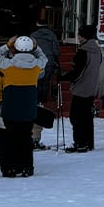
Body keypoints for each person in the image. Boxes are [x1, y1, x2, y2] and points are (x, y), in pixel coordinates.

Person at [0, 35, 41, 177]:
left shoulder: (6, 66)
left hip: (10, 109)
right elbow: (43, 58)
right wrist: (35, 47)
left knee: (9, 139)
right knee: (26, 139)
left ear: (14, 49)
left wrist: (7, 45)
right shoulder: (36, 67)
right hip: (28, 110)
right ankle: (27, 167)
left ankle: (9, 167)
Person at [60, 24, 102, 153]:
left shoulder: (83, 51)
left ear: (83, 36)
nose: (77, 37)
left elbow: (77, 71)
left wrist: (64, 77)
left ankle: (80, 142)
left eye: (79, 34)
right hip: (91, 86)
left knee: (76, 117)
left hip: (81, 88)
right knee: (87, 116)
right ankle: (88, 142)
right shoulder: (97, 50)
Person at [30, 22, 60, 150]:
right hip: (49, 61)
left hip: (37, 62)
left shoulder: (33, 35)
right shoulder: (52, 35)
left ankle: (37, 99)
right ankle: (42, 99)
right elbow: (55, 50)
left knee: (36, 82)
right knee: (45, 82)